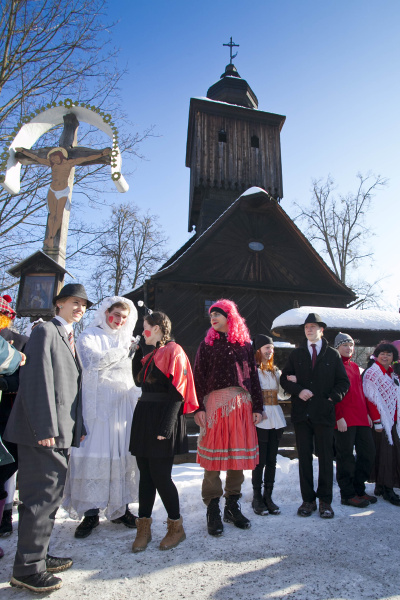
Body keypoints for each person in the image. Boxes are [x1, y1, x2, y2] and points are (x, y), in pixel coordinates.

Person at [4, 283, 91, 593]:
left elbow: (68, 389)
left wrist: (77, 428)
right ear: (59, 304)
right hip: (42, 434)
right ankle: (27, 570)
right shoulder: (45, 332)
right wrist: (45, 430)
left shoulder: (68, 337)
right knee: (40, 499)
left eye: (83, 304)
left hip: (59, 433)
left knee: (50, 497)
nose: (80, 308)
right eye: (74, 302)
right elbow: (36, 382)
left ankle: (37, 556)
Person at [63, 297, 140, 538]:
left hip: (122, 408)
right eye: (116, 314)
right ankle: (91, 513)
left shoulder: (127, 338)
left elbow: (128, 373)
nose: (120, 320)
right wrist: (123, 350)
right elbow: (92, 361)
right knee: (95, 453)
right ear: (106, 312)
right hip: (97, 409)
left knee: (121, 453)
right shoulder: (89, 335)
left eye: (124, 317)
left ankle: (120, 509)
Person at [130, 311, 198, 552]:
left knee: (160, 476)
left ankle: (176, 527)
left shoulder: (174, 351)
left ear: (157, 328)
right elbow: (139, 383)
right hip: (144, 416)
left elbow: (178, 392)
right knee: (146, 476)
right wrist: (138, 352)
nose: (142, 331)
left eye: (145, 327)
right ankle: (143, 529)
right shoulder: (153, 354)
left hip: (162, 419)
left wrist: (166, 427)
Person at [193, 299, 263, 536]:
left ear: (230, 316)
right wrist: (198, 409)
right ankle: (213, 507)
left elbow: (253, 377)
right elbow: (198, 377)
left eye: (218, 314)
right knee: (213, 460)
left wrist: (258, 407)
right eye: (211, 315)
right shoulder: (207, 345)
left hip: (242, 405)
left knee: (237, 457)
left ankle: (232, 506)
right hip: (215, 407)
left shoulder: (244, 345)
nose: (213, 318)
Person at [280, 312, 349, 519]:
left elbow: (343, 383)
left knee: (326, 459)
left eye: (313, 326)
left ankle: (325, 502)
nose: (309, 330)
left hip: (324, 415)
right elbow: (284, 379)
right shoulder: (297, 354)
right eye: (306, 327)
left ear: (321, 330)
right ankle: (308, 500)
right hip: (302, 415)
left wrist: (331, 398)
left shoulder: (332, 355)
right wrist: (298, 389)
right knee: (304, 460)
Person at [16, 146, 110, 247]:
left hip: (62, 191)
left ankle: (51, 237)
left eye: (55, 158)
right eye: (52, 159)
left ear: (60, 156)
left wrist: (101, 154)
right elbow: (37, 158)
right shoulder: (52, 165)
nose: (53, 160)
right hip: (52, 190)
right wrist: (23, 152)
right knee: (52, 214)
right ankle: (49, 237)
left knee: (59, 215)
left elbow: (86, 158)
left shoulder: (69, 163)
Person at [333, 333, 376, 508]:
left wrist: (367, 413)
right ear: (337, 348)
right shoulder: (334, 366)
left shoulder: (355, 366)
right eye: (345, 345)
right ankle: (348, 494)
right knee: (346, 457)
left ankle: (359, 489)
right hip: (344, 419)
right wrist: (339, 417)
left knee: (368, 453)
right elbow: (332, 395)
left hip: (361, 417)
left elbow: (360, 393)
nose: (349, 348)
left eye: (351, 345)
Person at [0, 295, 29, 539]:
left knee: (8, 465)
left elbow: (24, 378)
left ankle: (6, 513)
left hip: (8, 413)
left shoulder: (20, 342)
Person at [251, 334, 287, 516]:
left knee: (272, 460)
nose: (270, 351)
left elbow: (283, 395)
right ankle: (256, 498)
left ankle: (268, 497)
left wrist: (289, 384)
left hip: (276, 417)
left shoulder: (276, 371)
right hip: (261, 418)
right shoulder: (253, 371)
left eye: (271, 348)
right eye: (266, 348)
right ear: (258, 350)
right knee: (260, 461)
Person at [362, 342, 400, 506]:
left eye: (389, 354)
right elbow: (371, 399)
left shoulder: (392, 374)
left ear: (393, 358)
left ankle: (380, 485)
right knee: (386, 455)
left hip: (392, 421)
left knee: (387, 454)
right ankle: (388, 489)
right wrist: (377, 421)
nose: (385, 356)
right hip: (381, 422)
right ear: (376, 355)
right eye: (382, 353)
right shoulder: (373, 373)